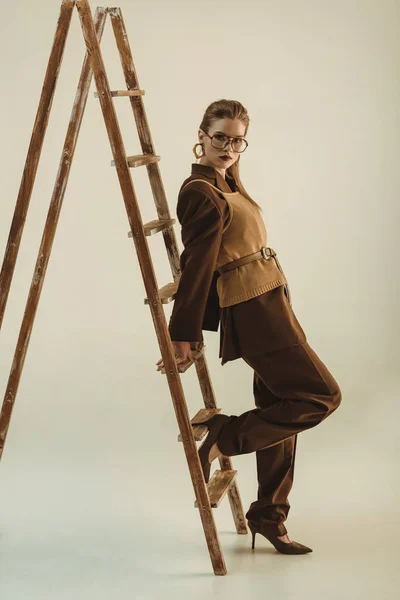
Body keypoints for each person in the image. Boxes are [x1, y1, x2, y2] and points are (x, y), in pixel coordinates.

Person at [156, 99, 342, 555]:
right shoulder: (200, 191)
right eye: (220, 136)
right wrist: (184, 332)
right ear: (202, 135)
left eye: (238, 139)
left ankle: (268, 518)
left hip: (271, 298)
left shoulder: (228, 180)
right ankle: (227, 435)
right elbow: (197, 265)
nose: (229, 147)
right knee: (321, 395)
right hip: (254, 310)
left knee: (281, 408)